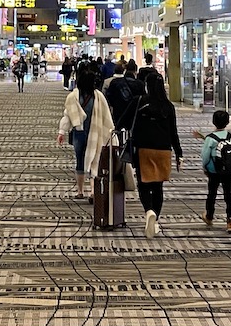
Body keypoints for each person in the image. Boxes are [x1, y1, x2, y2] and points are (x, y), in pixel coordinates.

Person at [130, 69, 182, 237]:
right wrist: (179, 152)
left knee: (144, 183)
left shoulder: (141, 103)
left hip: (144, 149)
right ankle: (156, 219)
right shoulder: (169, 106)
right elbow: (173, 132)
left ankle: (148, 212)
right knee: (158, 185)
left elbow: (132, 126)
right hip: (163, 150)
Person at [55, 61, 116, 201]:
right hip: (95, 133)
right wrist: (111, 133)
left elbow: (67, 115)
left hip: (78, 134)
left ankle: (80, 191)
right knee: (95, 160)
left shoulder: (73, 97)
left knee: (80, 161)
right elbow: (106, 116)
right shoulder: (98, 97)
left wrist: (61, 132)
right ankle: (93, 192)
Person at [197, 108, 231, 233]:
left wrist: (204, 167)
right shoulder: (230, 136)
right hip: (229, 170)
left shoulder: (210, 138)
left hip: (214, 170)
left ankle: (209, 216)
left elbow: (205, 155)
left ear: (214, 122)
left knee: (212, 194)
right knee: (228, 194)